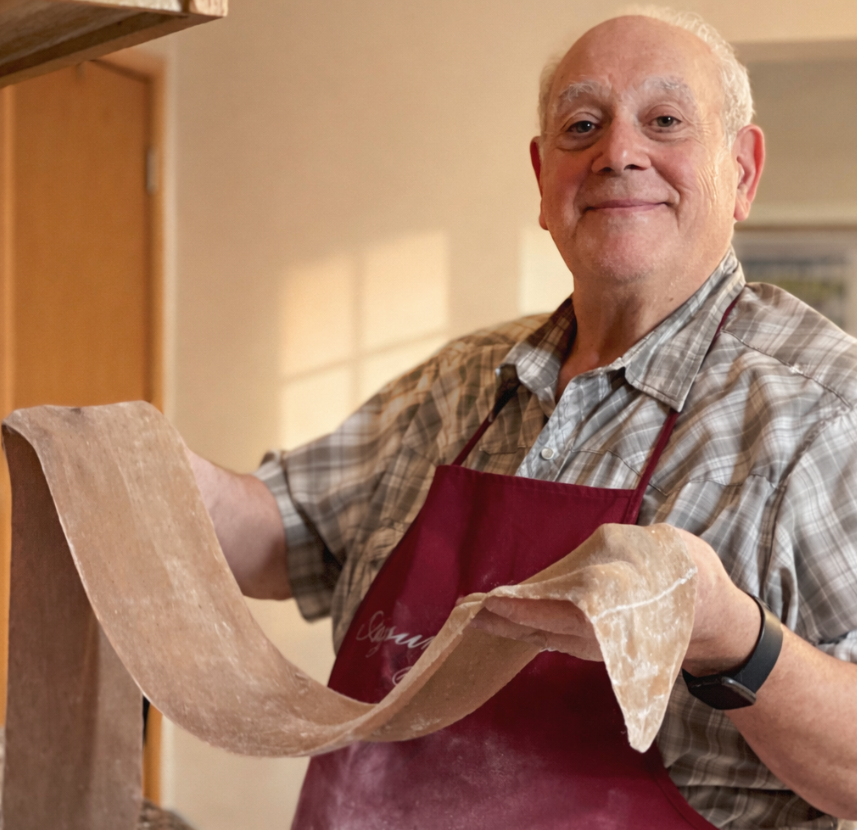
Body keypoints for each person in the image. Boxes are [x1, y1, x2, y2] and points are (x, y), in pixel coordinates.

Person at [188, 7, 857, 828]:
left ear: (742, 172)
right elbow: (277, 538)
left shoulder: (823, 414)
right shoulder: (465, 383)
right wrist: (133, 465)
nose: (617, 152)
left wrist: (730, 642)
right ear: (544, 180)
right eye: (583, 126)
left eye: (665, 121)